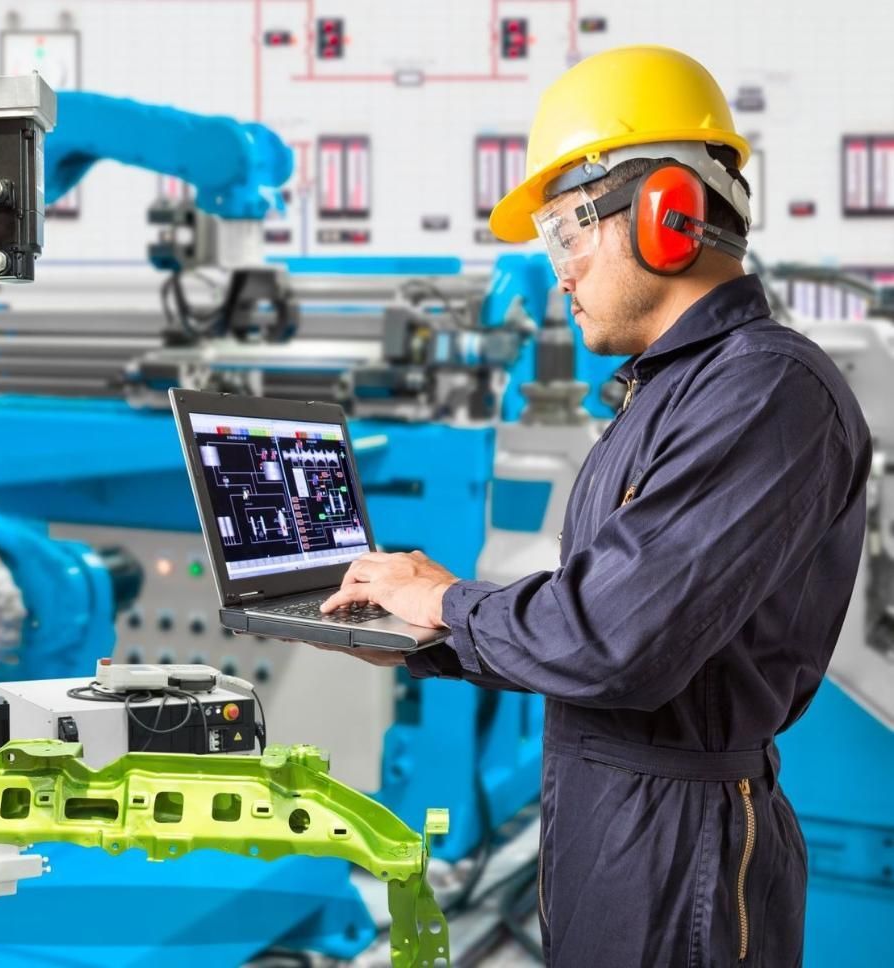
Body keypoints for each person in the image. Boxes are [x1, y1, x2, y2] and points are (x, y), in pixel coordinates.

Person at [316, 46, 872, 966]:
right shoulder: (672, 391)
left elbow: (617, 641)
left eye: (569, 234)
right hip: (619, 825)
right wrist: (423, 627)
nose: (559, 275)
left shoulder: (767, 388)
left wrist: (447, 602)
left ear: (667, 215)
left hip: (680, 852)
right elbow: (609, 618)